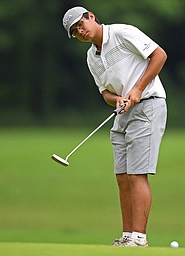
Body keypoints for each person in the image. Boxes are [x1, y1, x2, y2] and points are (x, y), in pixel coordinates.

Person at [62, 6, 167, 247]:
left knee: (137, 174)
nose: (81, 31)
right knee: (122, 176)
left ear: (91, 16)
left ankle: (139, 238)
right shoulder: (91, 57)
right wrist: (117, 99)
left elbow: (159, 55)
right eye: (75, 31)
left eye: (81, 24)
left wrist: (138, 89)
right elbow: (105, 92)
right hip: (123, 112)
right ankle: (127, 235)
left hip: (148, 105)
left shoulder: (122, 33)